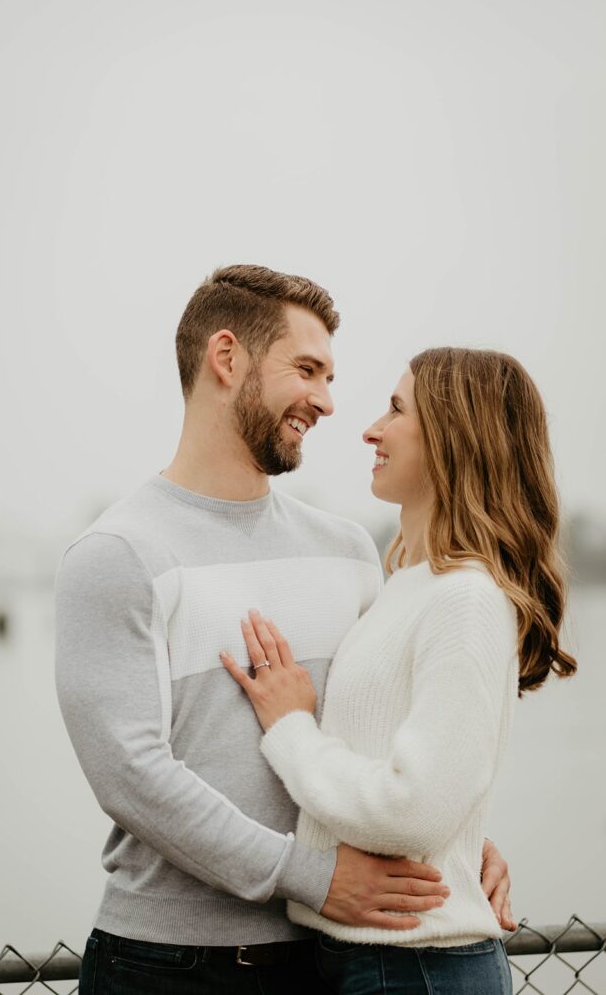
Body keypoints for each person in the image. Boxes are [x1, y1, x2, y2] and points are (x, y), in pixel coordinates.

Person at [55, 269, 513, 995]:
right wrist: (312, 875)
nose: (328, 403)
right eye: (307, 370)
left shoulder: (348, 552)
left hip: (330, 960)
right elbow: (131, 777)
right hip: (166, 967)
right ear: (226, 358)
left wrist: (457, 848)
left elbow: (383, 741)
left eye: (330, 377)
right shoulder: (118, 554)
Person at [222, 347, 577, 995]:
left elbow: (415, 809)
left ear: (452, 436)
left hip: (414, 966)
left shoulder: (464, 599)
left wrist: (292, 729)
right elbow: (430, 786)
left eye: (394, 409)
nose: (369, 430)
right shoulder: (409, 586)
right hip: (369, 959)